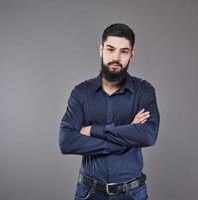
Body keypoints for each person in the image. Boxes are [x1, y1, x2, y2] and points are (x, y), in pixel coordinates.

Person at [59, 23, 160, 200]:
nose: (116, 57)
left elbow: (148, 135)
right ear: (101, 50)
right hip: (89, 193)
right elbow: (66, 142)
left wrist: (93, 130)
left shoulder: (144, 91)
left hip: (132, 193)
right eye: (110, 49)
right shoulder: (81, 92)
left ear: (131, 55)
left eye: (124, 51)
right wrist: (127, 136)